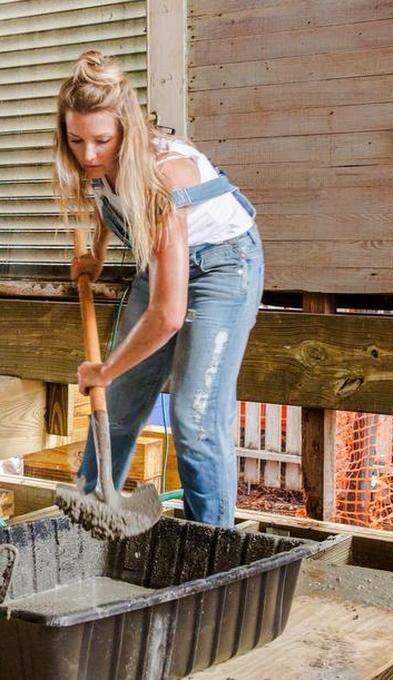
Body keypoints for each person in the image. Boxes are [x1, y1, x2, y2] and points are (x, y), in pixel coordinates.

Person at [53, 50, 264, 527]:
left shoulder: (162, 178)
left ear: (125, 129)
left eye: (101, 140)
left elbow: (169, 314)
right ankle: (88, 516)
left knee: (195, 418)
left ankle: (211, 551)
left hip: (223, 267)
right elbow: (106, 196)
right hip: (162, 261)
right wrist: (99, 253)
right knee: (120, 405)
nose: (88, 154)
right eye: (76, 140)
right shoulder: (96, 162)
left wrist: (104, 368)